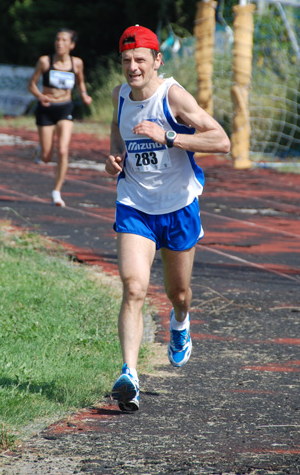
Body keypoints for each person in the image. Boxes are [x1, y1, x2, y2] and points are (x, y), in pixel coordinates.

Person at [105, 25, 230, 412]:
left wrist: (170, 138)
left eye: (140, 59)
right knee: (134, 288)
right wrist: (114, 161)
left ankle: (180, 321)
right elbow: (117, 130)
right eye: (126, 61)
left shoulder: (172, 95)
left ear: (157, 60)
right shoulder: (120, 96)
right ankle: (130, 375)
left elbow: (221, 141)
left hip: (178, 207)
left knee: (178, 293)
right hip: (135, 206)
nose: (133, 68)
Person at [28, 28, 92, 206]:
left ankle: (56, 191)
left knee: (63, 150)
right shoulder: (45, 61)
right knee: (46, 157)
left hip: (65, 108)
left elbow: (80, 82)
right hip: (46, 109)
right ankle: (41, 150)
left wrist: (85, 95)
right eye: (57, 40)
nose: (60, 43)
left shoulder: (76, 63)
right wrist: (40, 96)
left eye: (64, 40)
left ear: (71, 45)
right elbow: (31, 85)